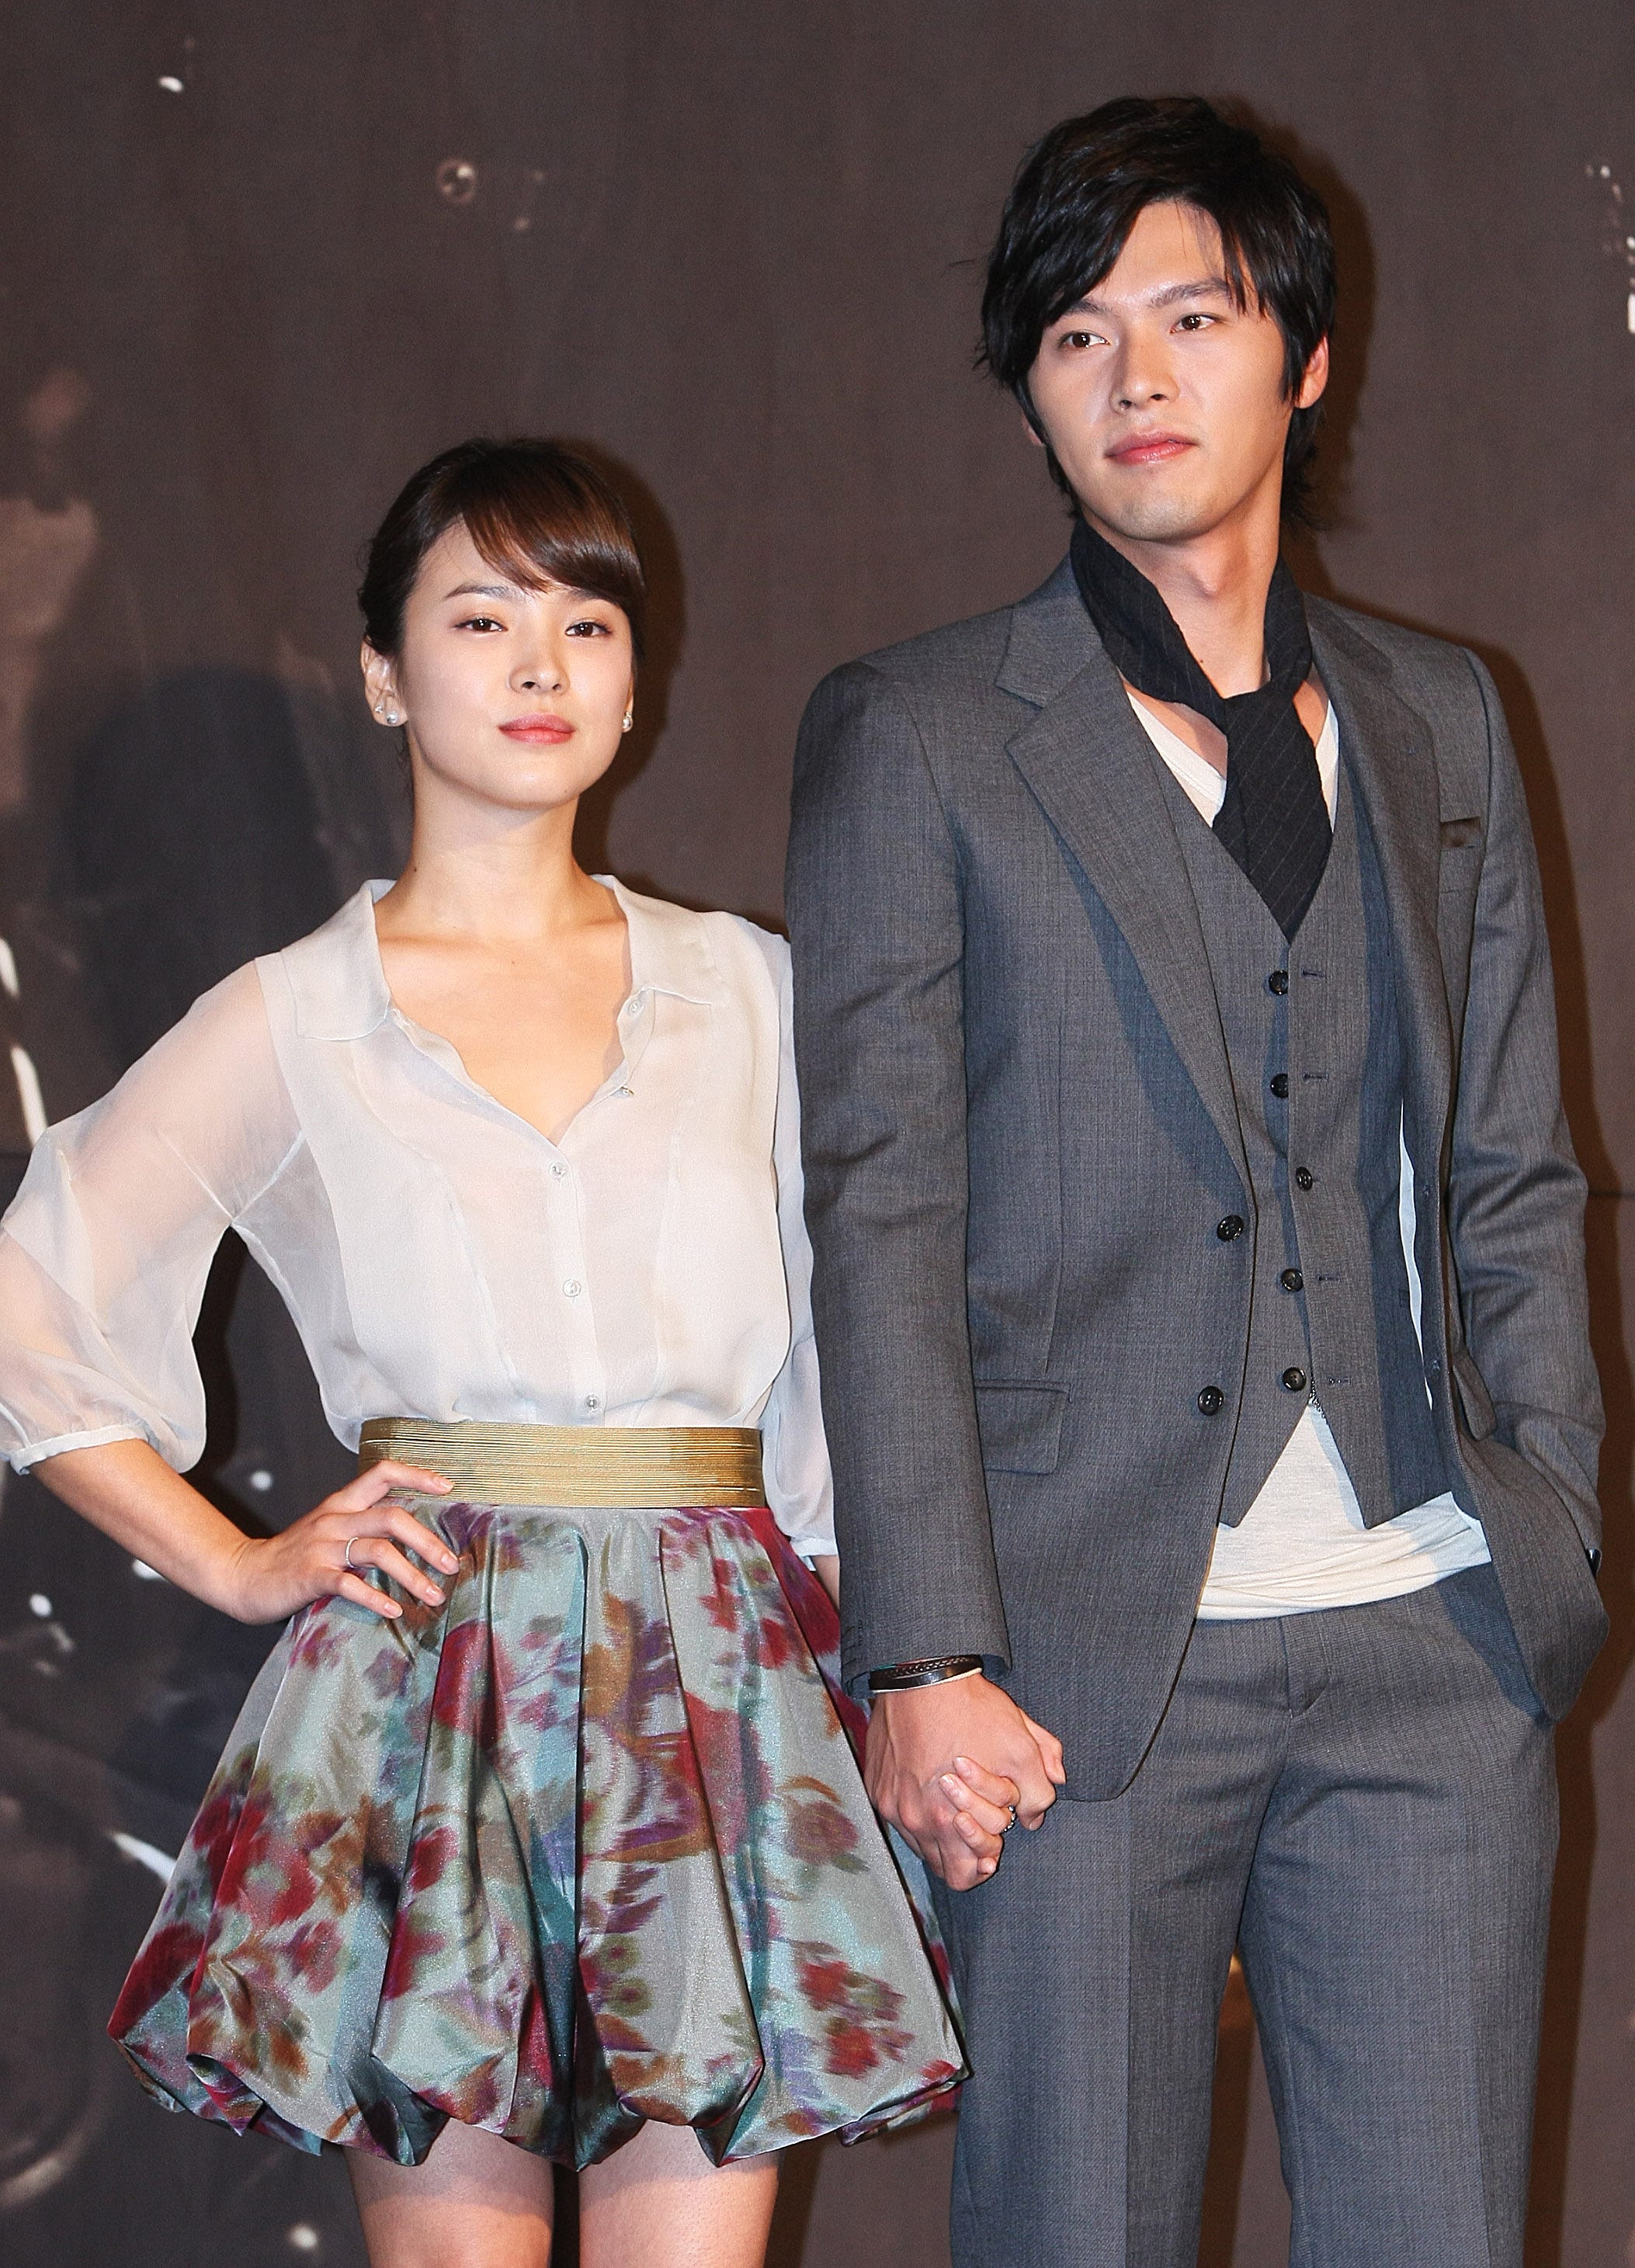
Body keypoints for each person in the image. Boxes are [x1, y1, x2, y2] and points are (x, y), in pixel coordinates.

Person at [785, 96, 1605, 2268]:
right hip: (1075, 1671)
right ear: (1031, 397)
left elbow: (1513, 1166)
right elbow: (879, 1208)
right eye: (1075, 336)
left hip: (1433, 1632)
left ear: (1303, 358)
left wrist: (1547, 1521)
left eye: (1190, 316)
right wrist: (924, 1649)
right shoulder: (921, 731)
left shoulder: (1438, 714)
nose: (1133, 377)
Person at [0, 437, 962, 2268]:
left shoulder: (748, 990)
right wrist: (235, 1560)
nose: (541, 665)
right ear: (384, 674)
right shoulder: (299, 1014)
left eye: (587, 622)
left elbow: (857, 1352)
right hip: (431, 1681)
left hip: (717, 1684)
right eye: (481, 618)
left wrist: (874, 1650)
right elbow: (28, 1298)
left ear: (634, 682)